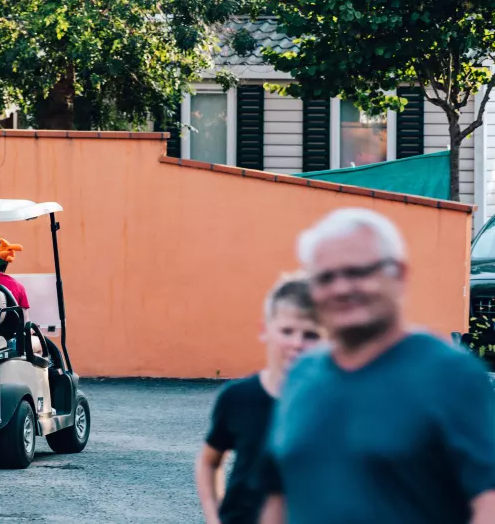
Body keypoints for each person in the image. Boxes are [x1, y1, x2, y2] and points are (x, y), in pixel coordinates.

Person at [258, 208, 495, 524]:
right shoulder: (302, 374)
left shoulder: (451, 375)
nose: (342, 288)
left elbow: (488, 501)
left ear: (398, 274)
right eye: (326, 277)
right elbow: (277, 491)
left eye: (358, 272)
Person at [195, 274, 322, 524]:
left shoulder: (337, 404)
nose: (297, 343)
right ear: (265, 330)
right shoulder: (238, 398)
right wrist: (213, 516)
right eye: (287, 331)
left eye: (311, 335)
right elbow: (209, 462)